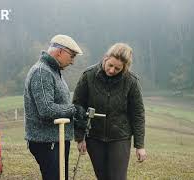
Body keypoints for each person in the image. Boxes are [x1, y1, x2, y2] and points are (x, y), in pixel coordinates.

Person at [73, 43, 147, 180]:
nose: (112, 70)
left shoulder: (131, 82)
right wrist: (79, 137)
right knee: (102, 176)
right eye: (110, 65)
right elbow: (78, 106)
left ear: (125, 68)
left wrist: (140, 145)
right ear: (105, 58)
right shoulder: (88, 76)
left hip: (120, 138)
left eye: (118, 68)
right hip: (94, 137)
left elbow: (138, 114)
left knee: (117, 177)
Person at [24, 34, 87, 180]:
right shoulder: (42, 72)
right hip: (47, 141)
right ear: (60, 52)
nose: (72, 62)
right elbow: (46, 109)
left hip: (55, 138)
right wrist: (74, 109)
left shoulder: (53, 71)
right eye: (72, 56)